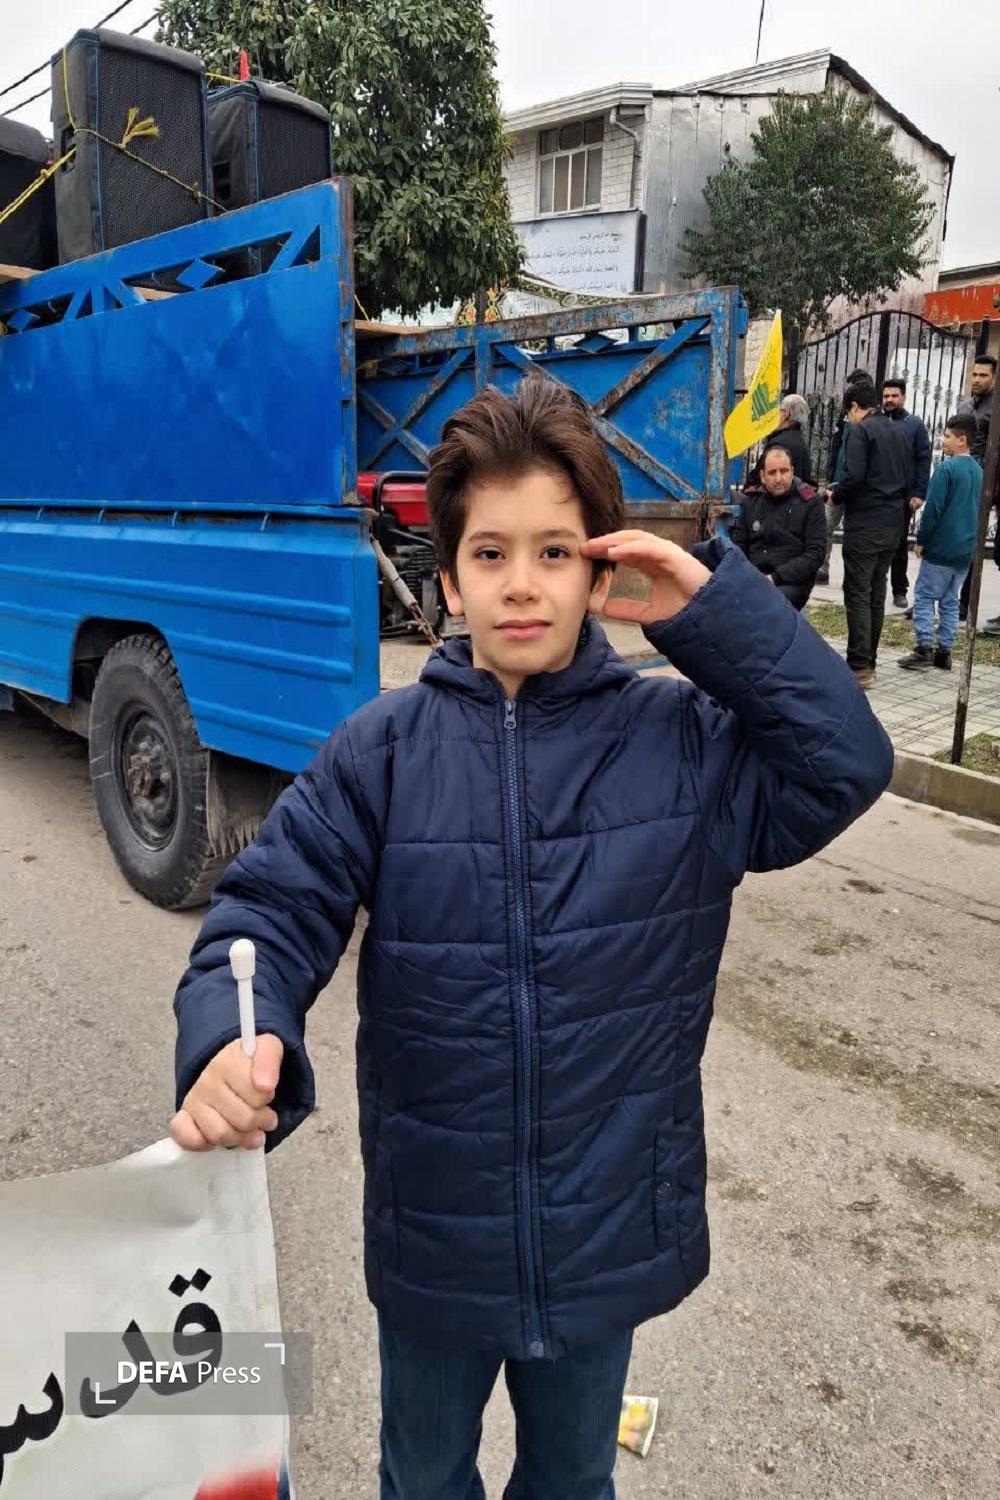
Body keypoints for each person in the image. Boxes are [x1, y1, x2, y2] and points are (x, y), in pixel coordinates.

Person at [169, 381, 892, 1500]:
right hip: (435, 1238)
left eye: (554, 552)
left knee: (571, 1482)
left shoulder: (683, 744)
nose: (520, 583)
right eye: (489, 553)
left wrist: (715, 615)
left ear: (601, 573)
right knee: (422, 1479)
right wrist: (233, 1034)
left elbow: (846, 764)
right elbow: (268, 909)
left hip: (608, 1229)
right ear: (449, 579)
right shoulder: (380, 752)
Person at [831, 376, 912, 687]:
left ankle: (859, 665)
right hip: (893, 523)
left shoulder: (860, 431)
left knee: (858, 592)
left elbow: (854, 477)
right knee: (877, 592)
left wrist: (836, 495)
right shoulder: (897, 429)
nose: (848, 419)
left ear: (854, 407)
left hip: (866, 523)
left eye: (847, 413)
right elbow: (908, 476)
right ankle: (869, 661)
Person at [898, 413, 981, 672]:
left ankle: (924, 647)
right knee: (950, 600)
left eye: (947, 436)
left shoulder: (947, 469)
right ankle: (945, 651)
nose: (943, 440)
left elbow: (933, 508)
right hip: (965, 549)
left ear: (962, 440)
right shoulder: (979, 471)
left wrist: (922, 539)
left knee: (924, 596)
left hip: (942, 546)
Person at [732, 445, 826, 608]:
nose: (778, 478)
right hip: (754, 577)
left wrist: (775, 578)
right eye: (772, 473)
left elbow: (815, 554)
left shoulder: (811, 503)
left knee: (764, 603)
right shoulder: (750, 502)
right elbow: (738, 547)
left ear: (792, 471)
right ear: (762, 476)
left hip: (791, 582)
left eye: (784, 471)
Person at [956, 354, 999, 630]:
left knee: (975, 544)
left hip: (984, 484)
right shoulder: (965, 405)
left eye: (983, 375)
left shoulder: (996, 407)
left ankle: (965, 603)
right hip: (960, 479)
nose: (977, 379)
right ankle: (946, 599)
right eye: (974, 374)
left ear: (994, 378)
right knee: (954, 537)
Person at [881, 378, 931, 608]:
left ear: (903, 397)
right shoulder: (876, 421)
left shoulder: (914, 425)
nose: (889, 400)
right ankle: (874, 585)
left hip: (902, 497)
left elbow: (924, 460)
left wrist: (919, 493)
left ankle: (899, 590)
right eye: (886, 396)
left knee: (899, 544)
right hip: (877, 496)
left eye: (894, 396)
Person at [816, 367, 869, 585]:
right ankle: (822, 567)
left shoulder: (869, 423)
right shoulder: (845, 418)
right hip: (837, 482)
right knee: (826, 524)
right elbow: (837, 448)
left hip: (857, 487)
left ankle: (853, 575)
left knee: (854, 532)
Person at [748, 393, 814, 486]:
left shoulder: (779, 444)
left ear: (785, 414)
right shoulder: (799, 439)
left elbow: (758, 478)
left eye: (778, 411)